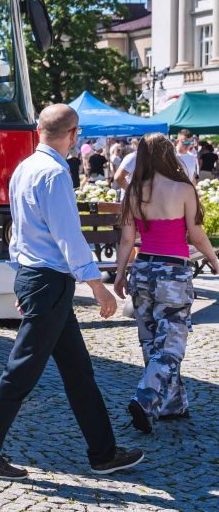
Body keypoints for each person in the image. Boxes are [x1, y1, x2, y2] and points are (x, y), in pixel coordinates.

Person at [0, 104, 144, 480]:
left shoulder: (25, 168)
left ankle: (104, 452)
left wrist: (23, 279)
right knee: (21, 371)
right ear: (74, 133)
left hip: (40, 280)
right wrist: (99, 288)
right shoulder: (55, 174)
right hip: (48, 282)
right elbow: (69, 237)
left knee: (79, 372)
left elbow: (17, 233)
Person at [113, 133, 217, 434]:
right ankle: (146, 398)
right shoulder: (183, 188)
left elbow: (126, 239)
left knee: (150, 339)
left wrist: (120, 273)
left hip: (143, 269)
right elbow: (196, 235)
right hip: (172, 271)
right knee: (171, 343)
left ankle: (172, 404)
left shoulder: (134, 191)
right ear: (169, 154)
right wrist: (215, 261)